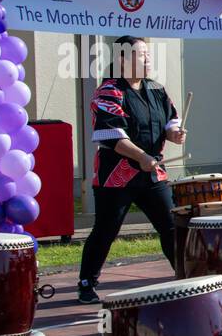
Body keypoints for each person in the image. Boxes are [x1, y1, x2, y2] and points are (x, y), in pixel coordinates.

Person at [77, 36, 185, 304]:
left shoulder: (156, 90)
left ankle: (185, 276)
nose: (148, 60)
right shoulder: (108, 92)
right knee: (106, 230)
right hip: (117, 175)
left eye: (148, 54)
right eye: (141, 55)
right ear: (122, 59)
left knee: (170, 226)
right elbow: (112, 136)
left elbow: (170, 120)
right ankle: (87, 281)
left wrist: (174, 134)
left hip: (151, 173)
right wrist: (142, 156)